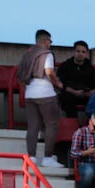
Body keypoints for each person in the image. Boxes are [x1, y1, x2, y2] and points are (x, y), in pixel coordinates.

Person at [17, 30, 64, 166]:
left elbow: (20, 75)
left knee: (33, 126)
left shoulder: (27, 54)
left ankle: (31, 157)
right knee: (51, 125)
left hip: (30, 93)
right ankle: (48, 158)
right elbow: (49, 71)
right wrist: (58, 83)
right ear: (44, 40)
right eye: (50, 41)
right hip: (46, 93)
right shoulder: (46, 54)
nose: (50, 44)